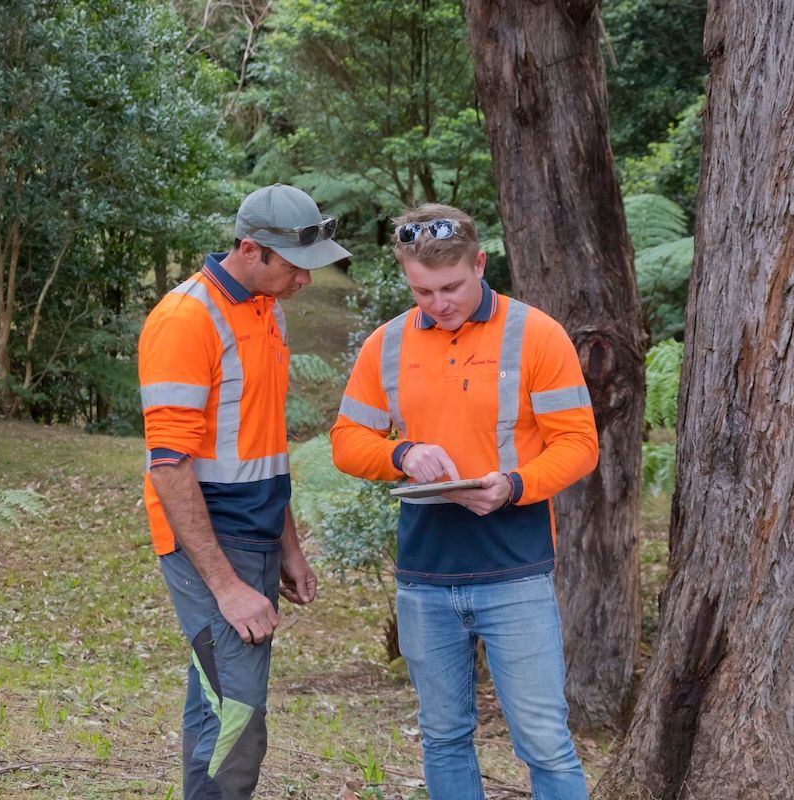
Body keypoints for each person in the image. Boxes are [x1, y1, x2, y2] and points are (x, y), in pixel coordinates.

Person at [329, 203, 598, 799]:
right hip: (425, 575)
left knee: (544, 740)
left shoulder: (536, 334)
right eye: (422, 290)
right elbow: (347, 443)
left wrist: (514, 485)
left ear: (480, 263)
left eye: (451, 286)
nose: (438, 302)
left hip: (515, 568)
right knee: (444, 736)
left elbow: (579, 445)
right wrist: (402, 454)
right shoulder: (387, 344)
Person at [138, 183, 351, 799]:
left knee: (218, 698)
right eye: (296, 267)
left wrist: (288, 544)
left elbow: (265, 437)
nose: (306, 282)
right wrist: (226, 588)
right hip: (208, 537)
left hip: (256, 530)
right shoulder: (185, 320)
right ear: (252, 250)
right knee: (239, 713)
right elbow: (168, 465)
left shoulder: (267, 309)